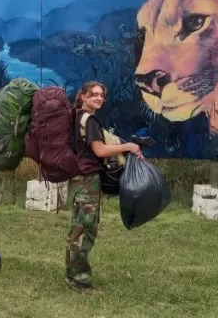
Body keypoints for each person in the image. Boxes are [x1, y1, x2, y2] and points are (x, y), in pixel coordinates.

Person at [65, 81, 143, 292]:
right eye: (93, 94)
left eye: (101, 95)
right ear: (83, 96)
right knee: (86, 228)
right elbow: (99, 151)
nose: (98, 98)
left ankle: (72, 274)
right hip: (88, 180)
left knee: (77, 228)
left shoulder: (74, 116)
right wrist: (128, 147)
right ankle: (80, 280)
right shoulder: (89, 120)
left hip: (77, 178)